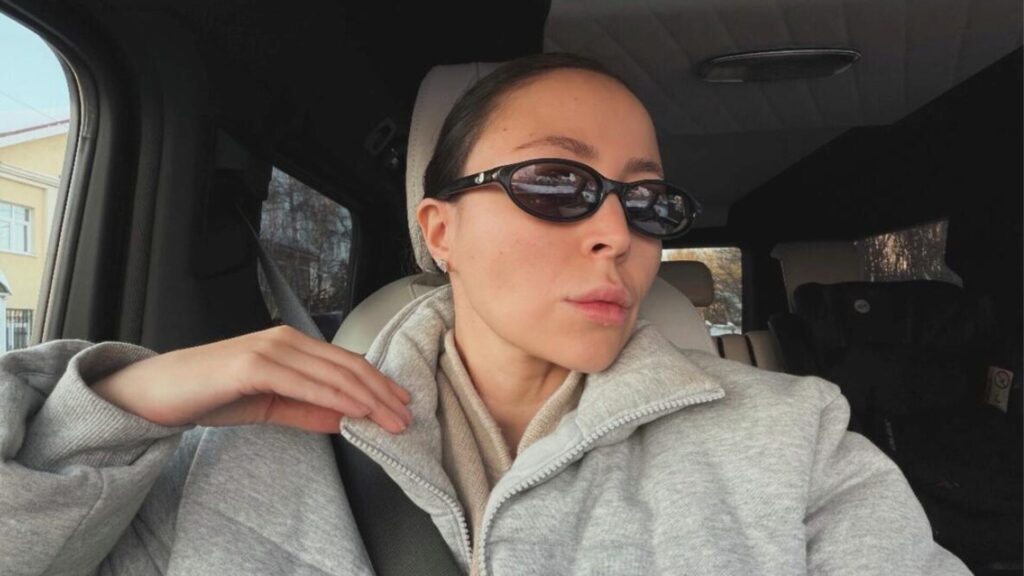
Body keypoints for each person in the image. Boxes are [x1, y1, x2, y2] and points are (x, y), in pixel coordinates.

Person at [0, 53, 969, 575]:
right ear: (440, 230)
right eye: (556, 183)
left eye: (647, 202)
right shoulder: (241, 449)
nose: (616, 234)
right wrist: (126, 399)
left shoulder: (792, 439)